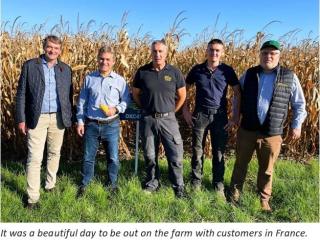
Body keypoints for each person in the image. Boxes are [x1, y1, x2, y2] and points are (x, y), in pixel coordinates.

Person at [229, 40, 307, 211]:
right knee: (240, 163)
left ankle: (264, 199)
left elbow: (299, 104)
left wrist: (297, 125)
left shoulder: (289, 76)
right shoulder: (249, 74)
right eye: (265, 53)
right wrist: (235, 116)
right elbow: (237, 95)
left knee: (267, 169)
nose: (268, 56)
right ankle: (234, 193)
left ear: (279, 56)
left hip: (272, 133)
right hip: (247, 129)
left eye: (273, 53)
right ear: (260, 55)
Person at [15, 35, 73, 209]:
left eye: (56, 48)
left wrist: (68, 116)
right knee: (35, 158)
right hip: (36, 117)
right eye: (49, 47)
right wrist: (21, 119)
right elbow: (21, 94)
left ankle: (50, 185)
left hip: (58, 117)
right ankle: (32, 198)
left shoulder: (65, 69)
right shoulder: (30, 66)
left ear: (60, 50)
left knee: (54, 154)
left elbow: (69, 96)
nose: (52, 51)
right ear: (43, 47)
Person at [182, 39, 241, 198]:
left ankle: (218, 184)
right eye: (211, 50)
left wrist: (234, 116)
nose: (214, 53)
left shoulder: (227, 71)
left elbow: (237, 93)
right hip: (200, 114)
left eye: (217, 50)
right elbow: (184, 90)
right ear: (206, 51)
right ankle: (196, 182)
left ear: (222, 52)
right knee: (197, 150)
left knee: (219, 152)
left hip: (219, 116)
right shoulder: (197, 70)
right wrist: (185, 111)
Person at [132, 40, 186, 198]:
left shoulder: (174, 72)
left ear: (166, 53)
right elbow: (135, 93)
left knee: (175, 155)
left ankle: (178, 185)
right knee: (149, 154)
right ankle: (152, 182)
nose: (157, 54)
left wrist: (171, 112)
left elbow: (182, 96)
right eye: (154, 51)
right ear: (151, 52)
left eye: (161, 51)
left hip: (169, 120)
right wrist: (145, 108)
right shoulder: (142, 72)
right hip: (148, 119)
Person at [76, 46, 129, 196]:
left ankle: (112, 184)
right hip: (92, 124)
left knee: (113, 157)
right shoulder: (89, 78)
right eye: (101, 59)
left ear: (113, 62)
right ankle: (85, 184)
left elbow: (125, 101)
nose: (104, 62)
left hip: (111, 124)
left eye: (107, 59)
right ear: (97, 59)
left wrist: (116, 109)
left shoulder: (120, 81)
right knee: (88, 157)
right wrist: (80, 121)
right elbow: (82, 102)